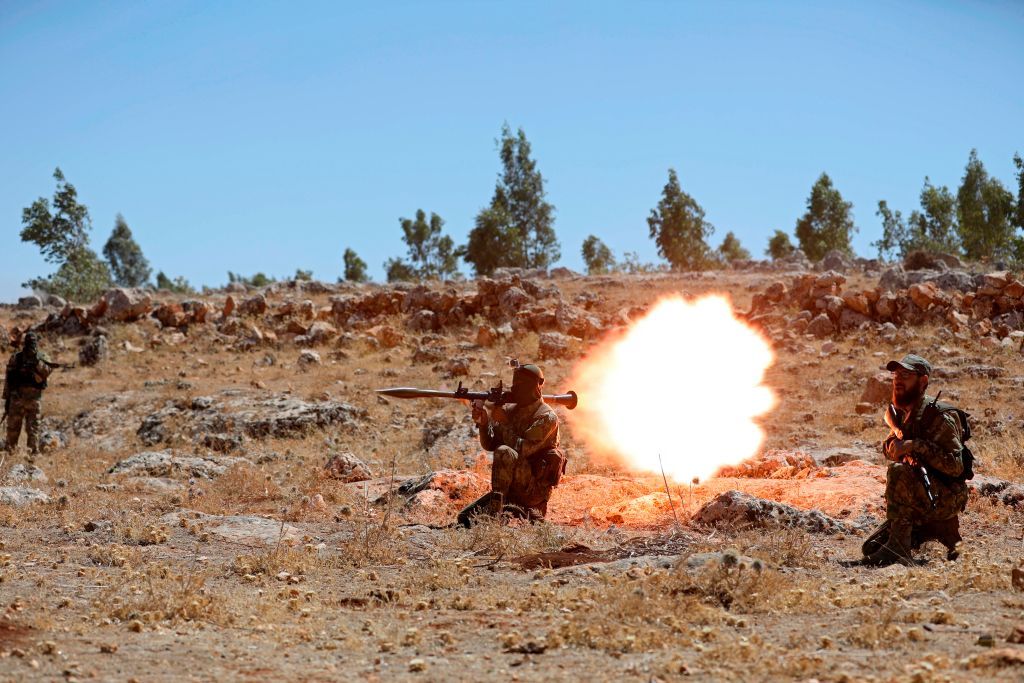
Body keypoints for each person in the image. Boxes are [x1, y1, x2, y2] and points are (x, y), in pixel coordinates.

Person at [860, 354, 971, 566]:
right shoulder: (902, 414)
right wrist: (893, 446)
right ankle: (937, 531)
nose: (898, 380)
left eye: (906, 375)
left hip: (946, 497)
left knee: (898, 471)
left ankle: (901, 550)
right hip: (923, 492)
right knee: (871, 547)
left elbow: (957, 467)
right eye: (896, 375)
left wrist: (915, 446)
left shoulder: (939, 416)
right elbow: (890, 447)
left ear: (923, 382)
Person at [456, 363, 566, 527]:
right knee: (464, 519)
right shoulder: (512, 410)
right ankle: (500, 504)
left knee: (504, 451)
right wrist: (484, 423)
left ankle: (495, 517)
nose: (515, 388)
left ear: (535, 386)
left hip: (533, 492)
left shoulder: (546, 416)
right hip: (511, 490)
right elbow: (490, 444)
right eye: (515, 384)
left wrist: (504, 423)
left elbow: (523, 449)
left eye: (521, 385)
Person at [3, 332, 54, 456]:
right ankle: (11, 454)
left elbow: (47, 372)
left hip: (33, 400)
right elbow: (9, 378)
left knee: (33, 430)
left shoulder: (42, 356)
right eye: (29, 342)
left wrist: (36, 360)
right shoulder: (17, 357)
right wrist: (7, 398)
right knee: (13, 430)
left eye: (32, 342)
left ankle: (32, 458)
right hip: (17, 399)